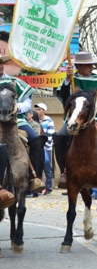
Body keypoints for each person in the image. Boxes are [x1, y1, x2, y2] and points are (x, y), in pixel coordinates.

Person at [54, 51, 97, 189]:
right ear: (78, 65)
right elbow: (65, 96)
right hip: (76, 117)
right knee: (60, 136)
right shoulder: (71, 79)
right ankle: (64, 171)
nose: (91, 66)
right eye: (87, 64)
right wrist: (67, 79)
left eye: (91, 63)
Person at [0, 55, 46, 193]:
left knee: (36, 141)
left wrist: (16, 108)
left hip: (16, 120)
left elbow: (27, 103)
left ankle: (34, 178)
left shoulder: (15, 81)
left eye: (0, 63)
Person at [34, 103, 56, 195]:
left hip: (46, 147)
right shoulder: (35, 120)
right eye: (37, 109)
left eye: (39, 109)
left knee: (47, 166)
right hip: (38, 147)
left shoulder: (48, 120)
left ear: (44, 110)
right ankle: (38, 187)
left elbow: (50, 134)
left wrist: (46, 146)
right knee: (38, 166)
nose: (37, 111)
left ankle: (48, 188)